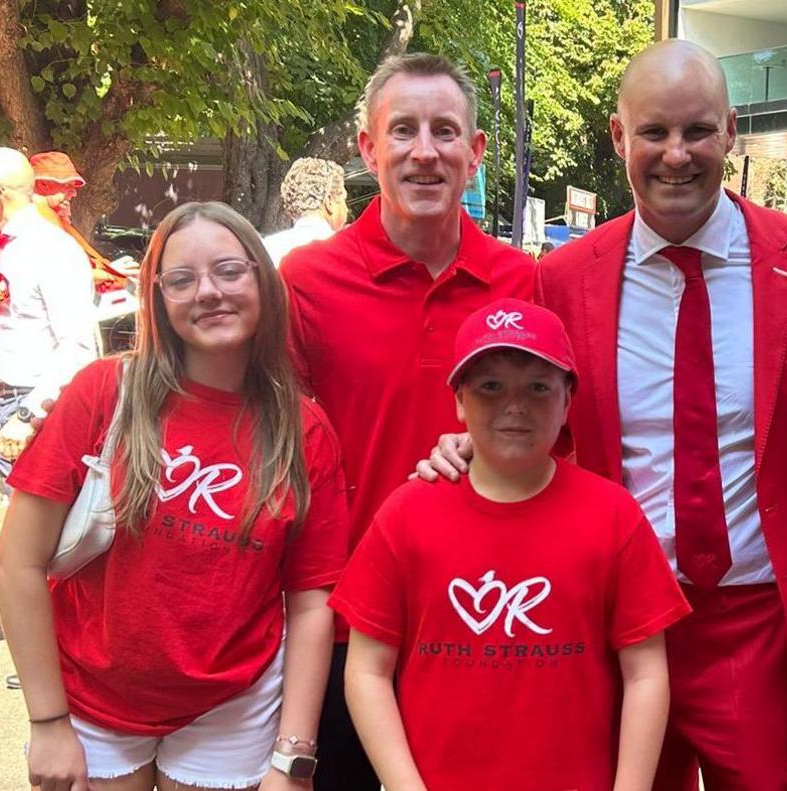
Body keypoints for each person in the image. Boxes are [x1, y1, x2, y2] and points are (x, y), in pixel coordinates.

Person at [422, 40, 787, 790]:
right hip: (615, 620)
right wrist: (469, 447)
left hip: (758, 622)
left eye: (698, 131)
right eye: (654, 133)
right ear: (619, 138)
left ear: (731, 131)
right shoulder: (566, 278)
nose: (677, 155)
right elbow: (538, 419)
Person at [0, 201, 351, 791]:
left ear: (264, 280)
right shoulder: (104, 394)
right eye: (182, 280)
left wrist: (293, 757)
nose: (208, 292)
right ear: (158, 298)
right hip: (93, 697)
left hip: (233, 706)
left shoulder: (302, 429)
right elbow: (17, 563)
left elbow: (312, 602)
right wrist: (48, 720)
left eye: (230, 271)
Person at [278, 53, 535, 790]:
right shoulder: (308, 283)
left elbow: (563, 445)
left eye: (446, 131)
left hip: (490, 627)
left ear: (475, 152)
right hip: (349, 629)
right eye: (404, 131)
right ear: (367, 148)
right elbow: (271, 450)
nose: (425, 151)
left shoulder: (522, 284)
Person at [336, 298, 689, 790]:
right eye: (490, 386)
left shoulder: (613, 516)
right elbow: (368, 669)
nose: (515, 404)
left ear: (568, 400)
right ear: (459, 399)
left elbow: (646, 671)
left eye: (539, 387)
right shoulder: (406, 514)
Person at [0, 147, 98, 491]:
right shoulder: (9, 247)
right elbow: (6, 337)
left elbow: (78, 349)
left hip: (42, 412)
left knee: (39, 539)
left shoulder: (51, 249)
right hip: (12, 405)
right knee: (17, 528)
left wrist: (28, 415)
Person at [30, 151, 129, 290]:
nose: (74, 193)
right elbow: (52, 278)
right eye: (67, 186)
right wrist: (105, 275)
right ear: (44, 184)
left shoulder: (49, 219)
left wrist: (110, 269)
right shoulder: (33, 222)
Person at [263, 158, 349, 267]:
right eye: (343, 201)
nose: (346, 209)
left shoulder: (268, 248)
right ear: (329, 202)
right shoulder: (344, 251)